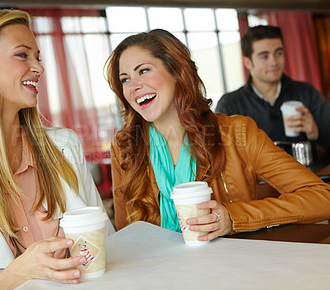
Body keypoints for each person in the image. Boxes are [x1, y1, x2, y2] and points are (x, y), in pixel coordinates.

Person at [0, 9, 114, 289]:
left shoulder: (64, 146)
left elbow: (106, 244)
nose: (39, 68)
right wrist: (20, 272)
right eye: (22, 55)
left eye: (37, 57)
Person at [105, 29, 330, 238]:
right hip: (158, 276)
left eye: (143, 71)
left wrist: (234, 217)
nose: (133, 87)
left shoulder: (237, 133)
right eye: (125, 79)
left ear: (176, 71)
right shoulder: (125, 147)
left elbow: (322, 197)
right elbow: (127, 235)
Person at [215, 25, 330, 154]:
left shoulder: (306, 93)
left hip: (306, 173)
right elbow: (221, 157)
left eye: (278, 53)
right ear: (247, 63)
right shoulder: (230, 105)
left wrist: (316, 133)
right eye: (264, 56)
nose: (274, 62)